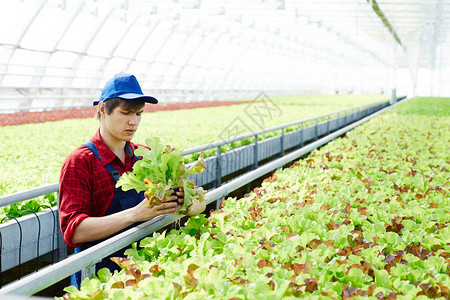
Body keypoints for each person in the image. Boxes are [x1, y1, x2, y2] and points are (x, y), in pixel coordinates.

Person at [58, 73, 183, 288]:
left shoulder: (146, 156)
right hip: (99, 280)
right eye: (125, 113)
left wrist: (184, 201)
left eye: (139, 114)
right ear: (102, 110)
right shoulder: (80, 161)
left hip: (144, 274)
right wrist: (135, 214)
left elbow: (197, 200)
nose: (133, 122)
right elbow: (74, 231)